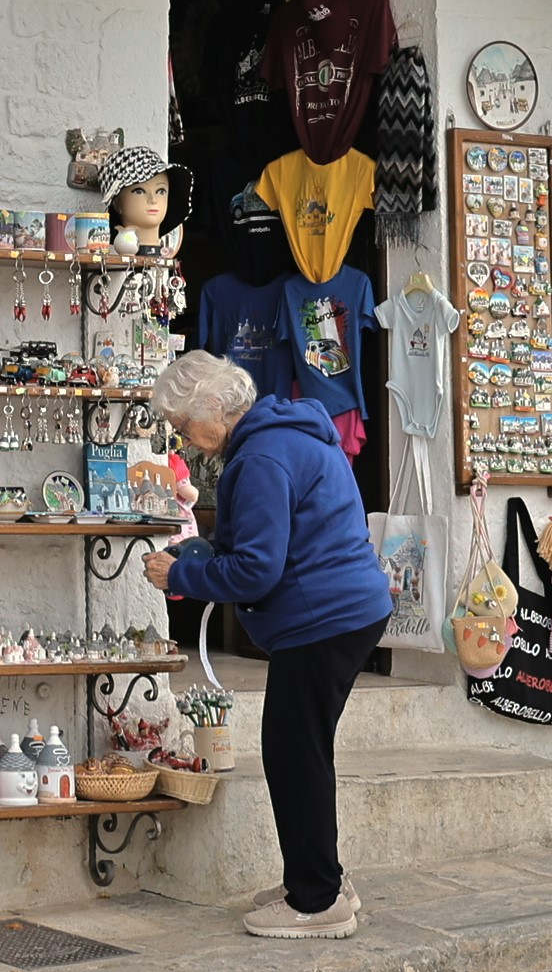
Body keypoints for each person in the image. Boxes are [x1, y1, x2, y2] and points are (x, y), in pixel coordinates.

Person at [141, 346, 395, 938]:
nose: (182, 441)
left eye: (182, 426)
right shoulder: (287, 434)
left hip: (323, 618)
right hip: (347, 610)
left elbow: (255, 570)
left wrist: (181, 576)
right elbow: (255, 543)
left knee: (293, 755)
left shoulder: (259, 458)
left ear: (213, 407)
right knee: (303, 752)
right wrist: (200, 554)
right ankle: (321, 879)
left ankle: (316, 902)